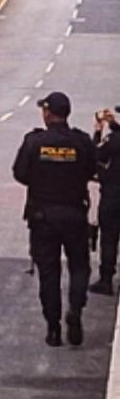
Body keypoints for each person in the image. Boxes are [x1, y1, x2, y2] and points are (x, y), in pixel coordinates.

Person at [13, 92, 96, 347]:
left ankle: (53, 328)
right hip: (74, 215)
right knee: (79, 267)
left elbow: (20, 173)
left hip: (43, 217)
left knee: (49, 273)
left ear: (48, 113)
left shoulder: (34, 142)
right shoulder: (81, 142)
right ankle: (76, 310)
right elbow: (92, 170)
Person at [90, 107, 120, 295]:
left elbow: (95, 155)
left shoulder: (114, 140)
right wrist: (113, 124)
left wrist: (99, 130)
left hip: (114, 194)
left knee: (109, 238)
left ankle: (106, 280)